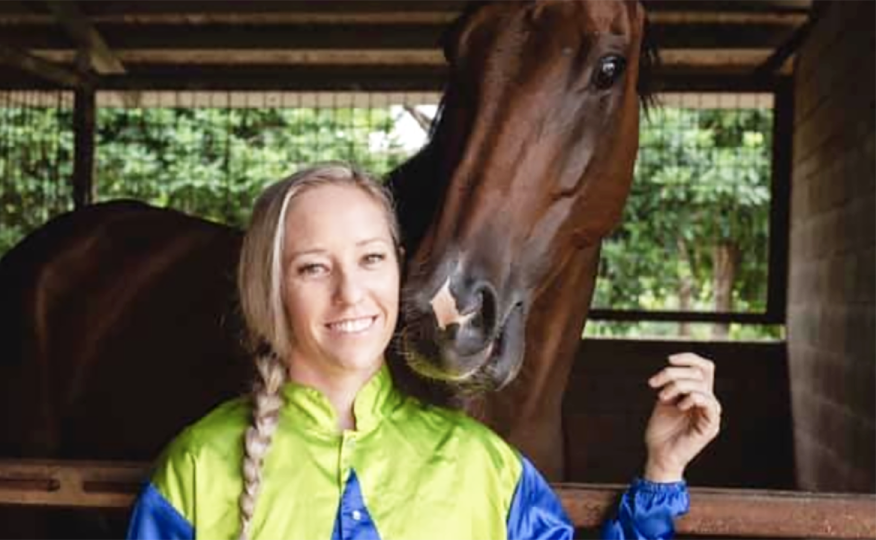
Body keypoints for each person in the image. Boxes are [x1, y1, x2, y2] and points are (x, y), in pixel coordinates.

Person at [125, 164, 722, 540]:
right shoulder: (198, 468)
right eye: (313, 267)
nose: (351, 292)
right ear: (270, 288)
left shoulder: (483, 466)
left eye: (371, 258)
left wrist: (661, 474)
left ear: (399, 272)